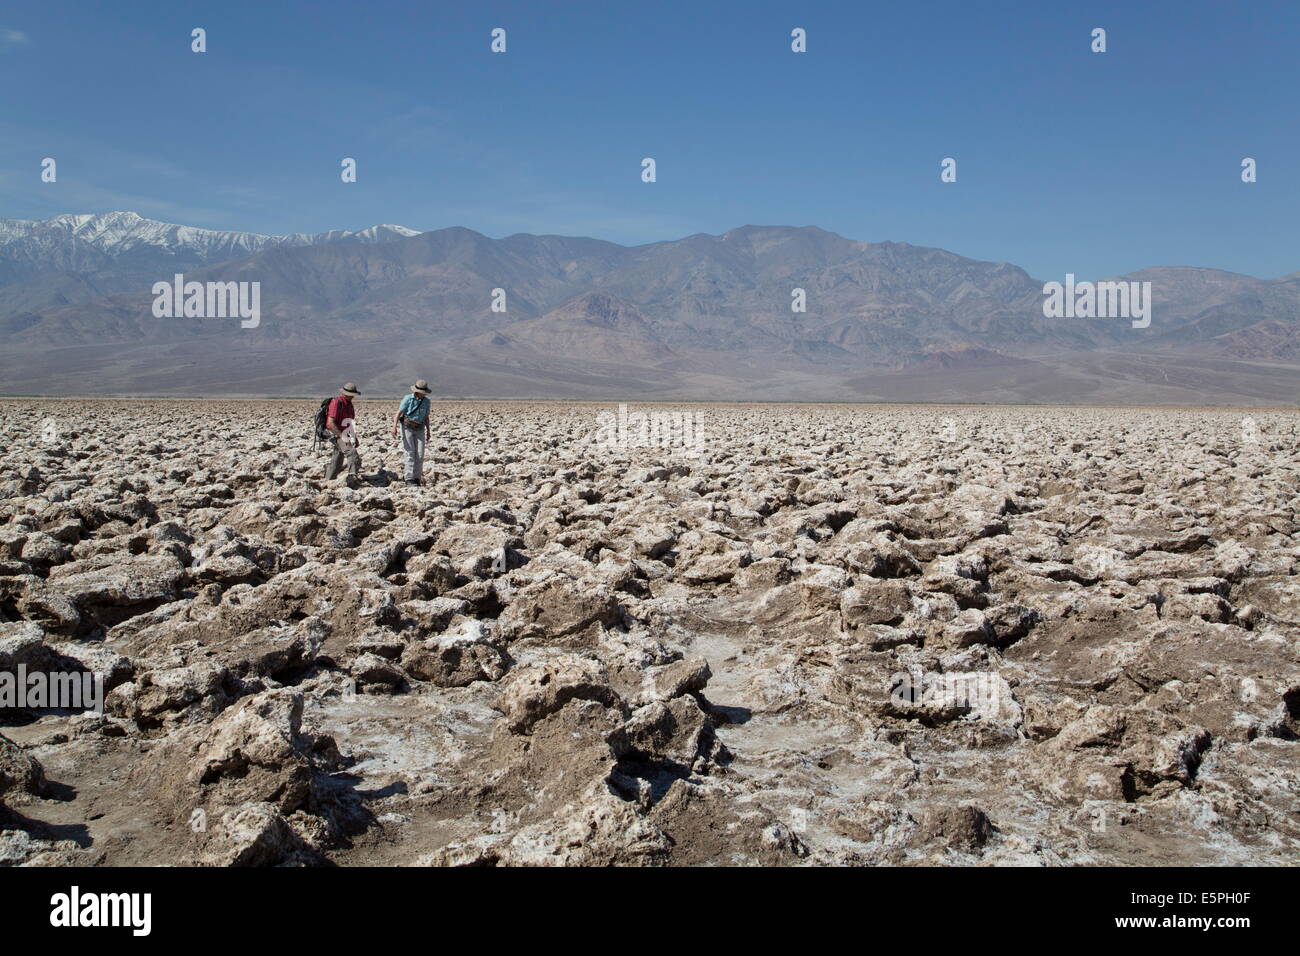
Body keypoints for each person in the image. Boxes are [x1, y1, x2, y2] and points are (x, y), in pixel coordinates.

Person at [392, 379, 432, 486]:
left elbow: (426, 417)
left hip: (420, 428)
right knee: (410, 452)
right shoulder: (408, 399)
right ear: (417, 391)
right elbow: (398, 412)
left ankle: (417, 478)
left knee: (420, 454)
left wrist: (428, 431)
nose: (423, 394)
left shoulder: (427, 402)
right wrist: (394, 427)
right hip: (407, 427)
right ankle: (409, 478)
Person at [324, 382, 362, 481]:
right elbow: (330, 423)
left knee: (337, 458)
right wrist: (342, 437)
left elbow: (349, 423)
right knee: (351, 452)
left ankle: (329, 480)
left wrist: (354, 437)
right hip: (335, 433)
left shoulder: (349, 405)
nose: (352, 397)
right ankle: (352, 477)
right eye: (351, 395)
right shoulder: (336, 402)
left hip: (343, 433)